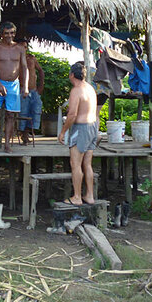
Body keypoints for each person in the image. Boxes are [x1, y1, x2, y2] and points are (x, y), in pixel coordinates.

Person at [58, 62, 98, 205]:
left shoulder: (76, 90)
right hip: (93, 127)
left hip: (81, 128)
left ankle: (76, 197)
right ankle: (89, 196)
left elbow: (72, 115)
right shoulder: (90, 88)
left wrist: (63, 132)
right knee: (87, 164)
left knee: (75, 163)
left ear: (72, 75)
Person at [0, 21, 28, 152]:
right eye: (6, 33)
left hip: (14, 85)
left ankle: (7, 145)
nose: (9, 36)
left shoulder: (20, 48)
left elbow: (24, 68)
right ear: (2, 34)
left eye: (11, 33)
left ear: (14, 33)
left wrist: (25, 86)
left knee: (11, 115)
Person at [15, 38, 45, 145]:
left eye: (25, 47)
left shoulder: (31, 59)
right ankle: (24, 135)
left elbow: (41, 71)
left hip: (33, 90)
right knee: (23, 112)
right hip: (21, 91)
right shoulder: (14, 59)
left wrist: (41, 86)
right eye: (21, 46)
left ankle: (27, 133)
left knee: (36, 110)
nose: (24, 48)